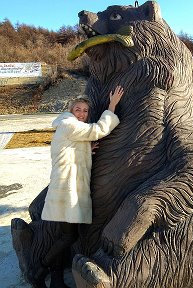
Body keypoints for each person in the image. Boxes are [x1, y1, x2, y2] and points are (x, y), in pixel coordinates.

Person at [27, 86, 124, 288]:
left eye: (85, 111)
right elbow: (98, 130)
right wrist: (112, 106)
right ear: (71, 110)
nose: (82, 114)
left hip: (64, 189)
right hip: (66, 189)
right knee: (69, 236)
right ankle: (38, 272)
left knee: (64, 235)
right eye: (78, 109)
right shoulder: (70, 125)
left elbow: (69, 149)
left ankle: (55, 280)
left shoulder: (70, 128)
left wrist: (85, 148)